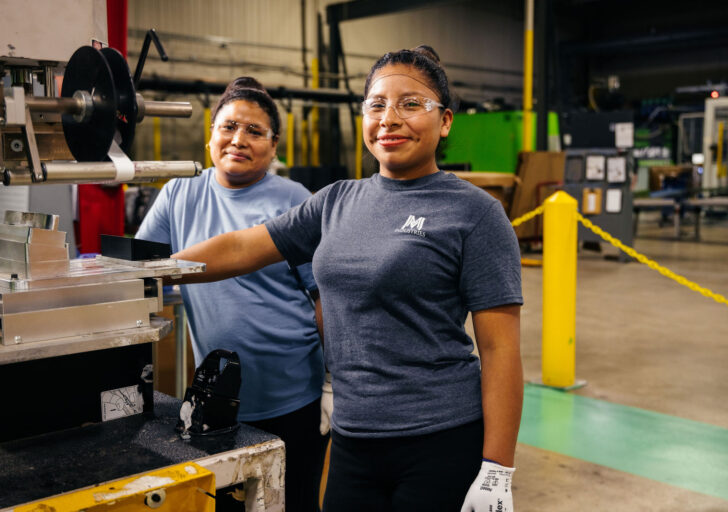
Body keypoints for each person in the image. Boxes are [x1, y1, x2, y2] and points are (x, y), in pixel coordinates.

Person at [170, 46, 524, 512]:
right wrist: (152, 272)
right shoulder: (337, 201)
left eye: (411, 104)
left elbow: (500, 351)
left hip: (438, 438)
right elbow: (240, 247)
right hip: (353, 439)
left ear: (445, 121)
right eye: (376, 104)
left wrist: (497, 469)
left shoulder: (474, 213)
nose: (389, 118)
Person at [136, 77, 328, 512]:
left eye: (254, 131)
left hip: (293, 397)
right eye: (228, 127)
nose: (238, 140)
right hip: (217, 401)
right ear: (210, 137)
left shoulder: (295, 201)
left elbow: (325, 298)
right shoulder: (179, 193)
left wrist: (335, 381)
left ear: (274, 146)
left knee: (293, 503)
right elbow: (142, 276)